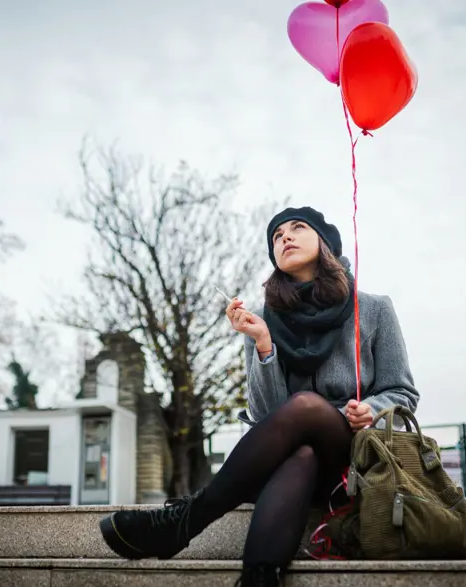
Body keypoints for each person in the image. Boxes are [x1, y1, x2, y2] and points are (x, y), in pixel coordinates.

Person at [99, 206, 420, 586]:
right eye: (276, 235)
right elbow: (267, 416)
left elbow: (403, 393)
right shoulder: (265, 320)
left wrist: (370, 409)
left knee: (306, 408)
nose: (284, 237)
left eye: (297, 228)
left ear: (325, 241)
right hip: (303, 465)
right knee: (300, 451)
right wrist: (264, 344)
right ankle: (258, 578)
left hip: (358, 457)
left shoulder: (373, 309)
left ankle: (185, 520)